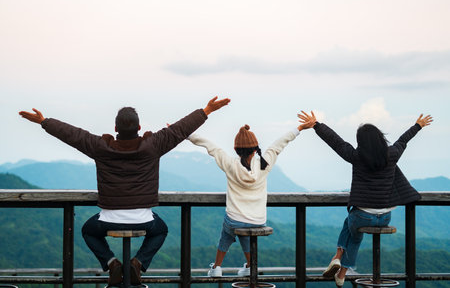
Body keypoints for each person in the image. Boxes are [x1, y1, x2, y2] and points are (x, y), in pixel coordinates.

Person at [18, 96, 230, 286]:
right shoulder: (153, 146)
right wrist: (206, 111)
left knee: (87, 230)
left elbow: (74, 135)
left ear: (115, 128)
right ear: (139, 127)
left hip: (108, 218)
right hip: (143, 219)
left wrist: (44, 122)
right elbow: (179, 130)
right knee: (161, 229)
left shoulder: (101, 147)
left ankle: (112, 264)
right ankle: (137, 263)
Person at [298, 111, 433, 287]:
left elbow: (336, 142)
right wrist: (417, 126)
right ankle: (342, 271)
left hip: (362, 215)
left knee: (353, 229)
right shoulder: (392, 154)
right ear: (380, 139)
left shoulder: (357, 157)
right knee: (351, 224)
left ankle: (338, 258)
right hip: (385, 217)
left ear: (361, 142)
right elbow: (402, 141)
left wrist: (317, 125)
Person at [187, 119, 316, 277]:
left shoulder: (230, 164)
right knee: (244, 228)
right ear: (255, 150)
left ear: (236, 150)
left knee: (228, 232)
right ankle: (249, 266)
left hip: (235, 219)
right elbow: (279, 144)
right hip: (258, 220)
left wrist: (186, 134)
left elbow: (211, 146)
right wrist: (299, 128)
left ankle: (217, 267)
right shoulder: (264, 163)